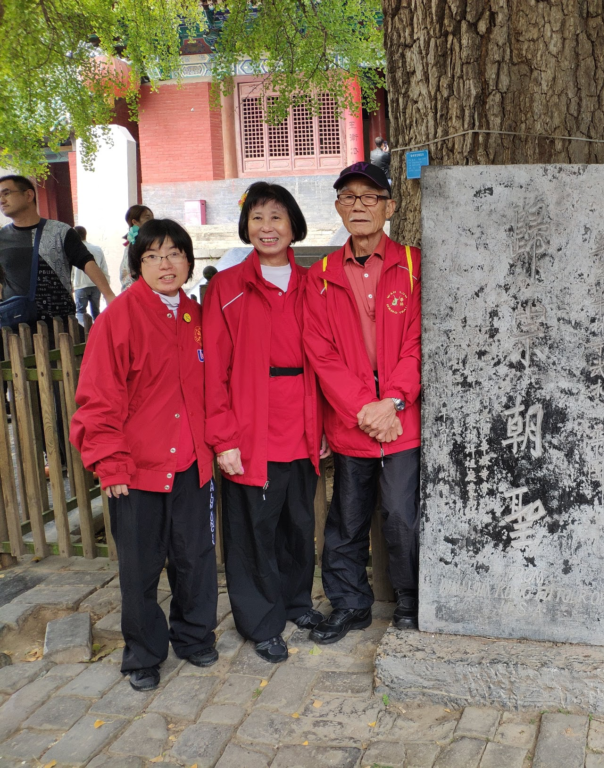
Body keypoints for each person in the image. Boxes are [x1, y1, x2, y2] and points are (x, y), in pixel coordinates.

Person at [70, 219, 218, 692]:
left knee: (194, 558)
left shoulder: (195, 316)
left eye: (175, 253)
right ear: (137, 266)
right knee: (140, 566)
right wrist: (108, 461)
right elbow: (97, 397)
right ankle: (143, 655)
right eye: (152, 256)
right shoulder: (119, 317)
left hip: (191, 462)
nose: (165, 264)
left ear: (189, 261)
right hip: (136, 469)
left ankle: (194, 638)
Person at [204, 182, 326, 664]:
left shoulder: (312, 283)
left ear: (294, 225)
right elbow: (214, 369)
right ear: (246, 226)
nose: (267, 227)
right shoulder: (227, 287)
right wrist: (224, 437)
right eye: (257, 218)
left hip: (302, 419)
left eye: (277, 217)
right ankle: (261, 622)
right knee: (254, 529)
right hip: (250, 426)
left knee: (298, 523)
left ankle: (297, 603)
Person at [303, 161, 421, 643]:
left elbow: (419, 341)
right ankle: (350, 603)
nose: (359, 206)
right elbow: (321, 353)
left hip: (402, 419)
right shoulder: (323, 275)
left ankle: (411, 600)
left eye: (370, 197)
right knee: (346, 517)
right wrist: (366, 409)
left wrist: (392, 400)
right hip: (354, 421)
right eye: (349, 198)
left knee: (400, 513)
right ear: (337, 208)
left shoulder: (413, 265)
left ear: (389, 207)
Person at [0, 175, 115, 325]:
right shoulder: (2, 237)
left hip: (60, 322)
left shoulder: (60, 231)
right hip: (15, 324)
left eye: (6, 193)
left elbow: (86, 262)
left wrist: (109, 295)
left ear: (29, 195)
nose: (2, 200)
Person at [72, 225, 110, 324]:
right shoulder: (97, 249)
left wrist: (70, 283)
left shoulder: (73, 250)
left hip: (80, 284)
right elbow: (103, 267)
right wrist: (106, 283)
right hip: (96, 284)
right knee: (96, 311)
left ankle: (84, 333)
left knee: (80, 311)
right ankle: (100, 332)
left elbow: (71, 269)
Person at [119, 205, 154, 290]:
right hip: (137, 292)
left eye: (153, 218)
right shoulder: (136, 243)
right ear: (135, 222)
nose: (153, 221)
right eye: (148, 218)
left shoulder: (139, 241)